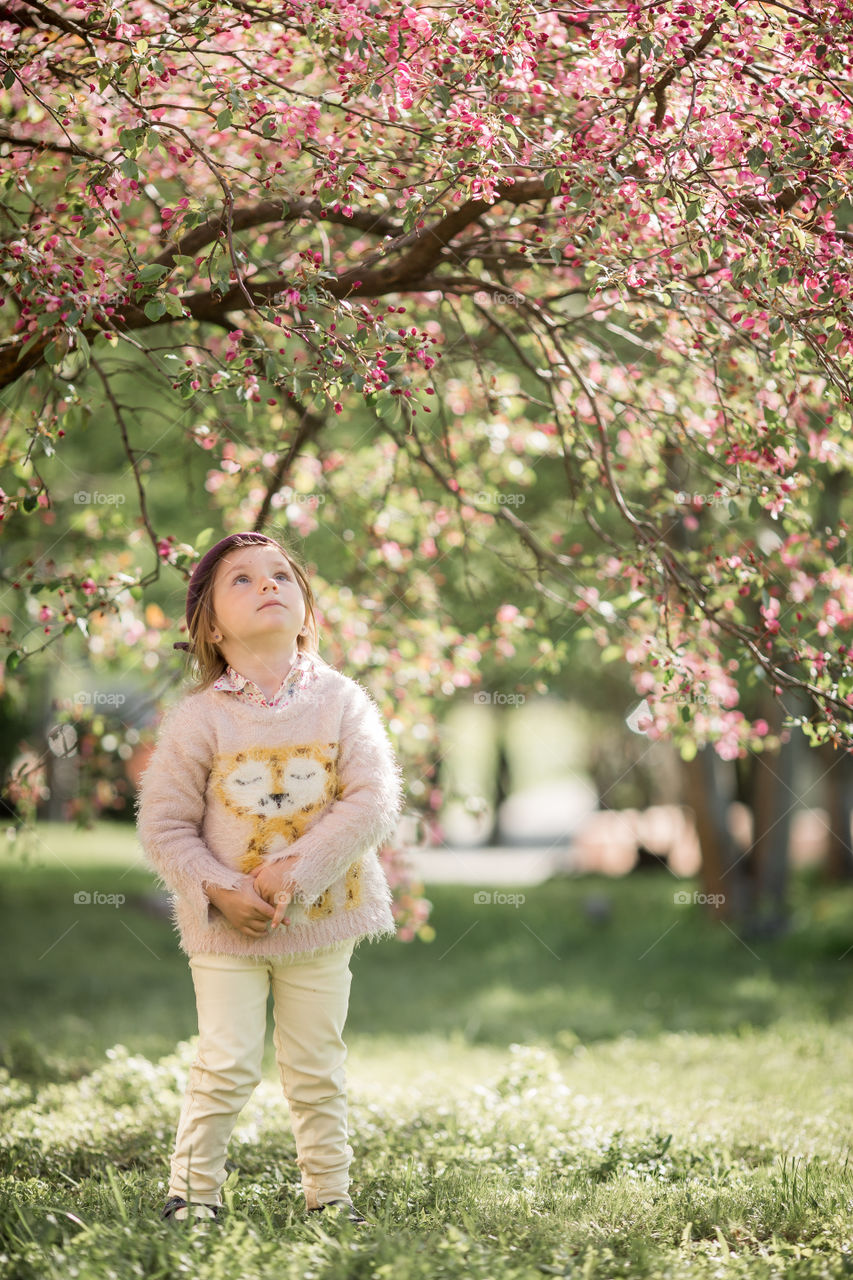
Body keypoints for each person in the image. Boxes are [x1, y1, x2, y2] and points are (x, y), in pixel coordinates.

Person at [135, 530, 404, 1226]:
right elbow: (163, 825)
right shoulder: (199, 719)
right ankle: (193, 1194)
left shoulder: (341, 701)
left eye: (281, 575)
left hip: (321, 921)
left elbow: (372, 799)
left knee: (316, 1064)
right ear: (211, 627)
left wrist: (298, 870)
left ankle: (330, 1196)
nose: (268, 586)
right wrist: (220, 888)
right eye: (244, 579)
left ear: (305, 610)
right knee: (226, 1061)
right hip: (227, 928)